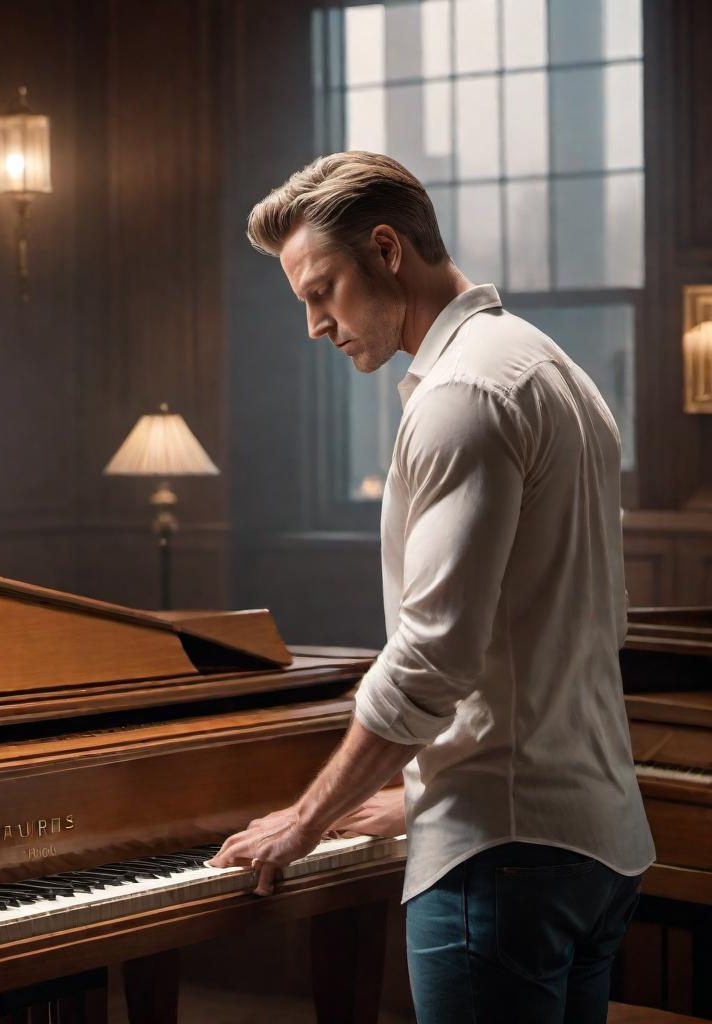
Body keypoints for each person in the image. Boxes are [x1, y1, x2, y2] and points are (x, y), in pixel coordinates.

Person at [210, 151, 655, 1024]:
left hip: (504, 864)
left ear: (386, 251)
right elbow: (577, 632)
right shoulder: (552, 370)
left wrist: (305, 819)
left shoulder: (463, 395)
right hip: (597, 847)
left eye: (320, 291)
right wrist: (417, 791)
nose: (314, 325)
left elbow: (431, 659)